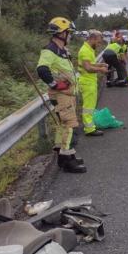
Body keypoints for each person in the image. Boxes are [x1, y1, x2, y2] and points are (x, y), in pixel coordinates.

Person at [36, 17, 87, 173]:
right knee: (70, 127)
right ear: (60, 33)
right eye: (68, 32)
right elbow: (42, 69)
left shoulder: (62, 50)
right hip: (61, 95)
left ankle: (64, 157)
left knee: (62, 127)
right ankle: (67, 162)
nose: (70, 36)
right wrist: (55, 84)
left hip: (67, 95)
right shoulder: (50, 50)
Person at [78, 30, 109, 137]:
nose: (99, 44)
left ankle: (90, 126)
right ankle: (89, 129)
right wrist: (101, 70)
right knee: (88, 107)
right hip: (87, 82)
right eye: (99, 41)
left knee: (90, 106)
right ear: (93, 38)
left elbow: (90, 64)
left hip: (89, 81)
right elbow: (88, 68)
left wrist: (100, 65)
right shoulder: (85, 51)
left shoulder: (88, 49)